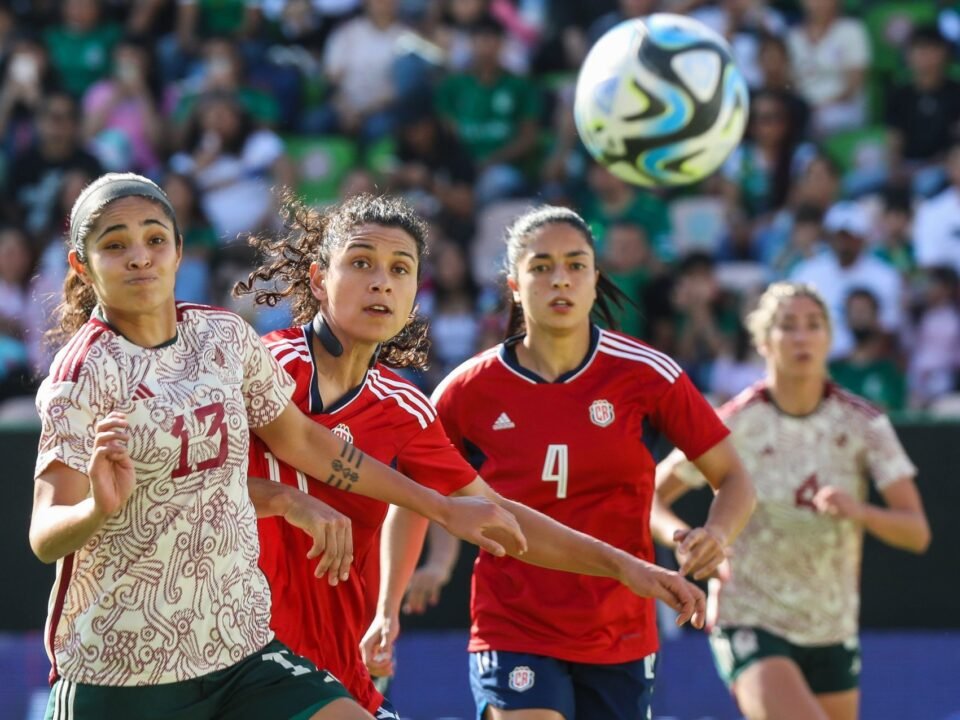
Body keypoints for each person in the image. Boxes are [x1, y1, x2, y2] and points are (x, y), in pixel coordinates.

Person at [28, 172, 529, 720]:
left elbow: (305, 443)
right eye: (115, 245)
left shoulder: (224, 338)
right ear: (82, 264)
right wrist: (99, 506)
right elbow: (46, 537)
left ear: (177, 250)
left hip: (240, 653)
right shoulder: (81, 374)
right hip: (119, 672)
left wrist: (439, 507)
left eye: (155, 238)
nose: (139, 257)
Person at [234, 193, 711, 719]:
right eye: (361, 262)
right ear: (320, 278)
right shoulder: (263, 368)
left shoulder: (407, 411)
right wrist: (284, 499)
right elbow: (181, 482)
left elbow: (494, 516)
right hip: (244, 657)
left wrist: (625, 567)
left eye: (400, 269)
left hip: (337, 669)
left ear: (416, 292)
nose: (381, 282)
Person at [366, 205, 756, 720]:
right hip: (512, 624)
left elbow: (734, 479)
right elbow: (413, 498)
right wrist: (387, 609)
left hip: (620, 630)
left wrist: (718, 534)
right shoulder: (467, 390)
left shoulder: (647, 375)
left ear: (596, 280)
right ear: (513, 284)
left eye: (575, 265)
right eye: (541, 266)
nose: (560, 280)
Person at [653, 282, 931, 720]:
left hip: (831, 626)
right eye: (788, 326)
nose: (802, 337)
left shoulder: (864, 425)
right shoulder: (736, 422)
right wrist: (681, 536)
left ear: (829, 337)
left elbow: (916, 533)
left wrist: (859, 511)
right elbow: (650, 494)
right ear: (764, 341)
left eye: (813, 325)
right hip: (749, 615)